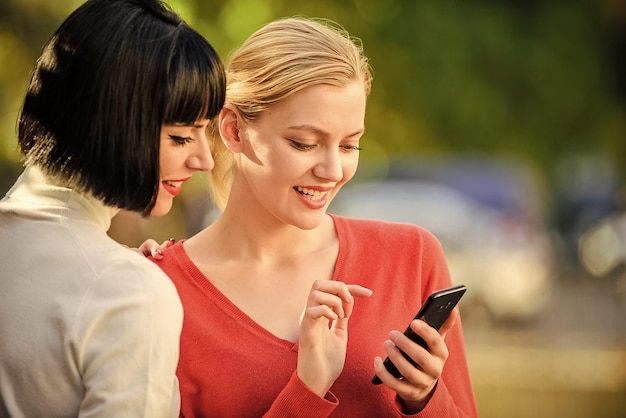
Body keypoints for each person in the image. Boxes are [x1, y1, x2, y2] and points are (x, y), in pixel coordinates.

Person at [151, 16, 478, 417]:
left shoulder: (411, 256)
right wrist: (306, 392)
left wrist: (424, 398)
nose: (332, 170)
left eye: (349, 146)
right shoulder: (159, 290)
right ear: (234, 130)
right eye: (304, 143)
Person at [0, 0, 225, 417]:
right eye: (180, 137)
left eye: (205, 132)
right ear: (115, 124)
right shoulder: (127, 292)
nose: (205, 160)